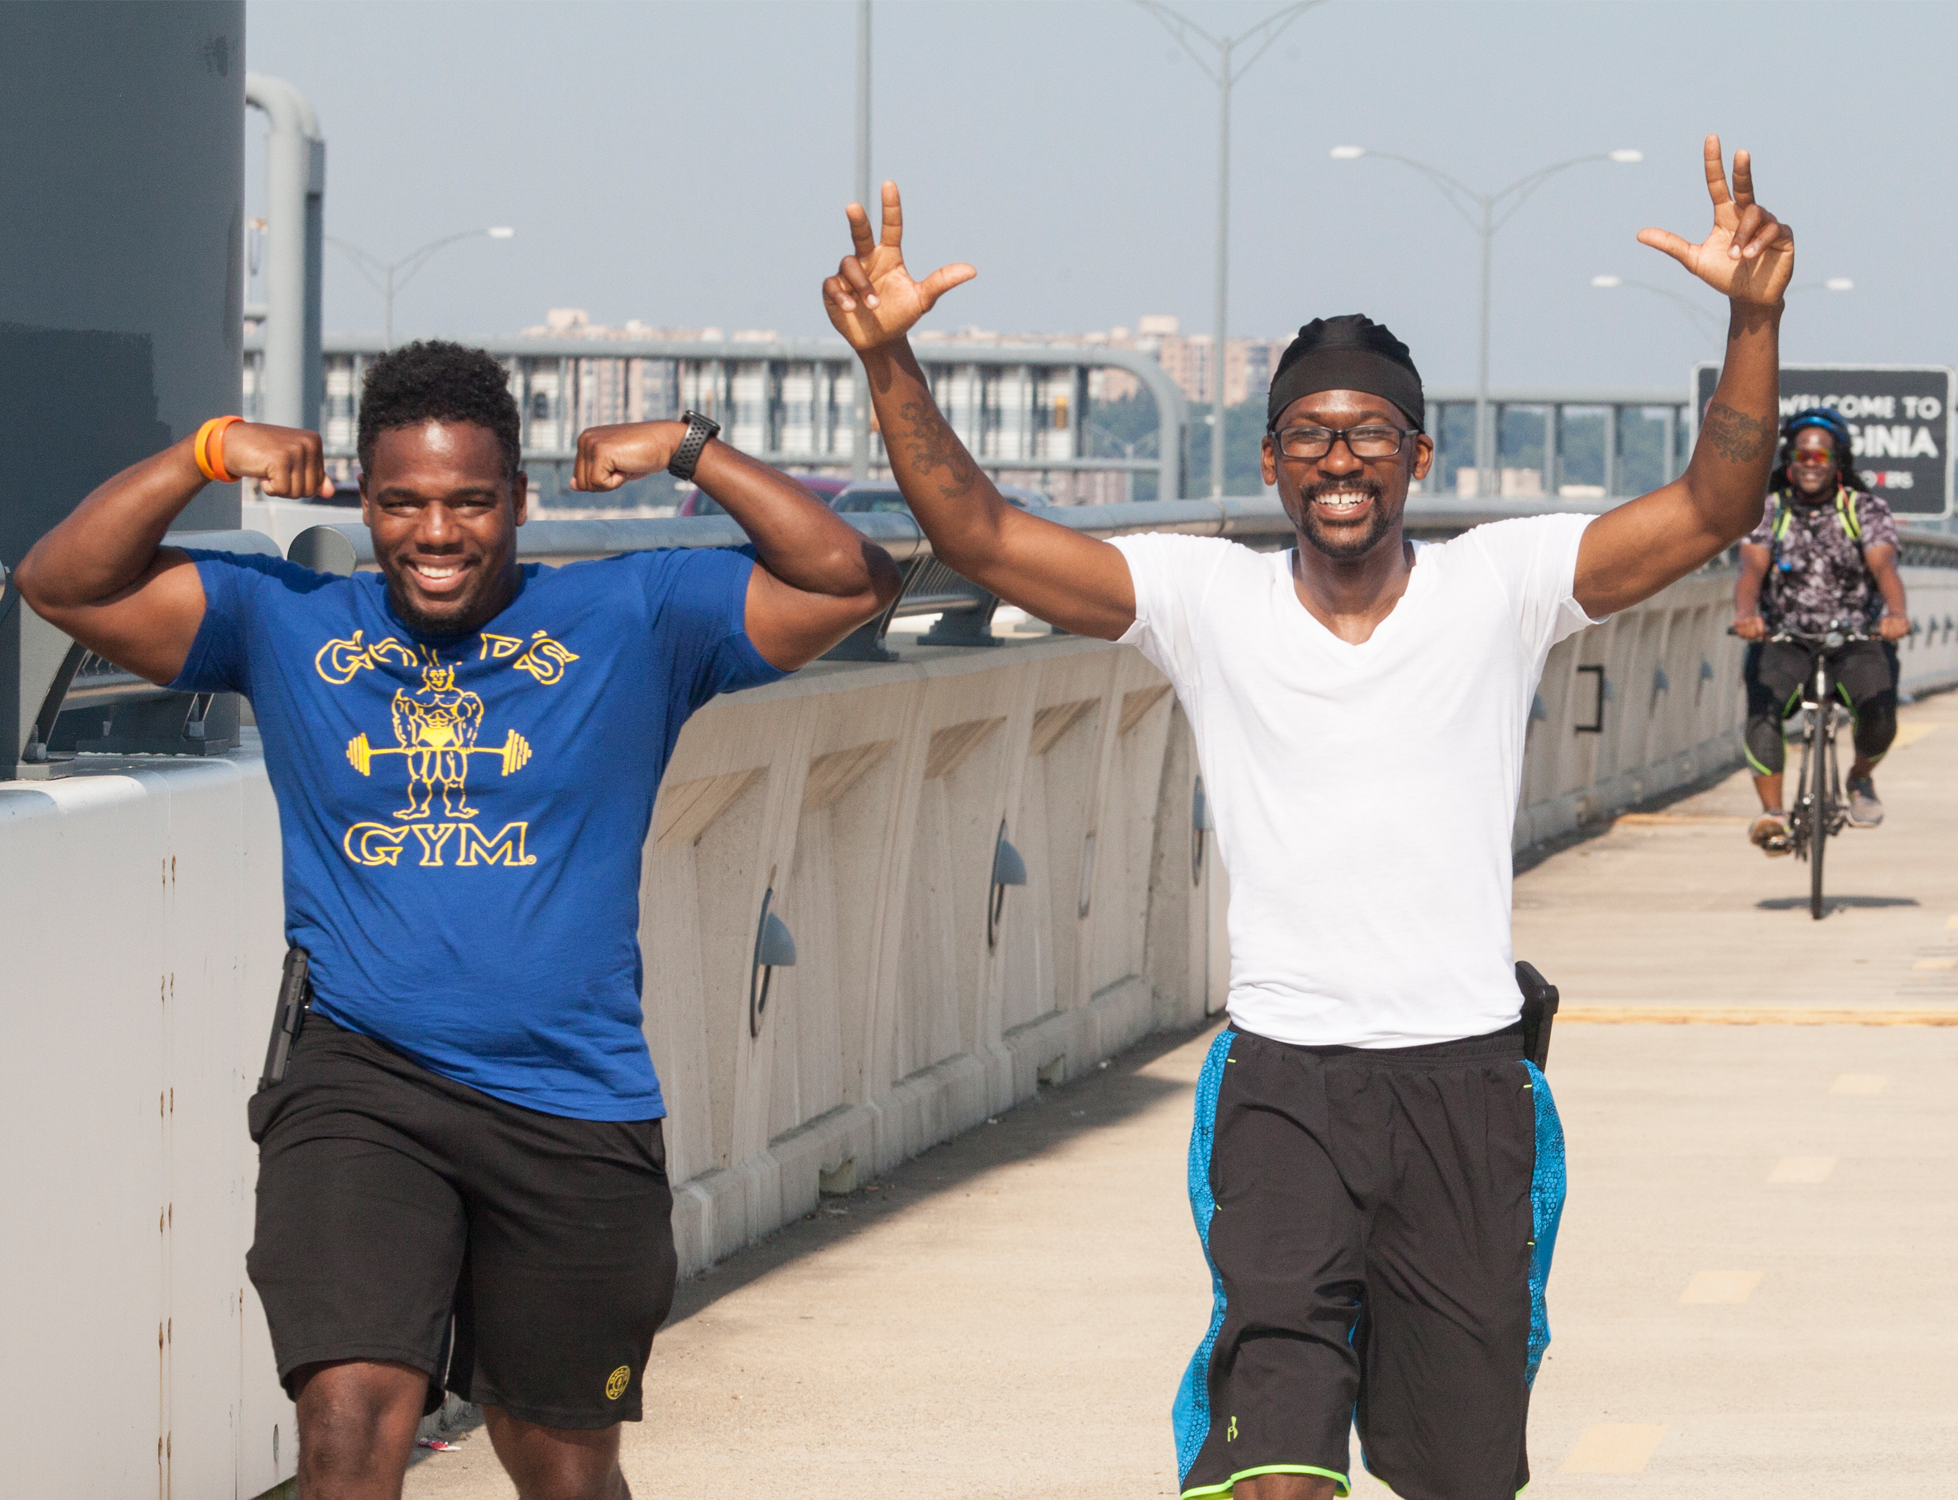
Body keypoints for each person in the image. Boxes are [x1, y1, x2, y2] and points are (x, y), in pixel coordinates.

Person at [818, 137, 1790, 1500]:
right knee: (1273, 1466)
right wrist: (885, 358)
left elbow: (1713, 506)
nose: (1343, 459)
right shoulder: (1206, 600)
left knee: (1461, 1477)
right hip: (1283, 1090)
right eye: (1314, 435)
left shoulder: (1498, 584)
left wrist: (1753, 316)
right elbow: (981, 538)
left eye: (1371, 432)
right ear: (1273, 461)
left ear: (1416, 453)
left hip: (1464, 1087)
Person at [13, 341, 900, 1500]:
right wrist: (203, 456)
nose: (436, 532)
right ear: (364, 503)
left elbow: (852, 579)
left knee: (561, 1465)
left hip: (569, 1099)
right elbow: (60, 583)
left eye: (470, 501)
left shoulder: (631, 614)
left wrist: (689, 451)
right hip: (359, 1082)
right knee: (347, 1423)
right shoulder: (284, 620)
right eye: (403, 503)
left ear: (518, 502)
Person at [1732, 405, 1909, 851]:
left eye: (1821, 457)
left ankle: (1860, 779)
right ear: (1789, 463)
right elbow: (1750, 571)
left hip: (1855, 637)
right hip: (1786, 636)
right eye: (1802, 457)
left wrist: (1895, 613)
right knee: (1764, 707)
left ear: (1838, 463)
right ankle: (1772, 815)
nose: (1811, 465)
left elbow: (1884, 564)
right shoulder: (1768, 510)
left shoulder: (1863, 509)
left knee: (1879, 708)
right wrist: (1747, 616)